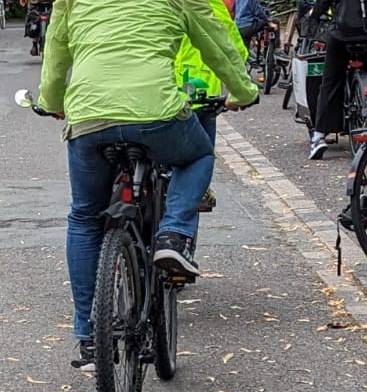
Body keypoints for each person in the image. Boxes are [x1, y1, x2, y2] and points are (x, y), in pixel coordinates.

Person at [37, 0, 258, 370]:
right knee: (198, 156)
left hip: (90, 117)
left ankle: (89, 337)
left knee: (85, 218)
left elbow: (57, 47)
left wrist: (51, 100)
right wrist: (243, 90)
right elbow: (214, 41)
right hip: (157, 112)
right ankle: (173, 234)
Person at [174, 0, 249, 211]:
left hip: (170, 83)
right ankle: (200, 189)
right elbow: (236, 50)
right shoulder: (213, 7)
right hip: (200, 87)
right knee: (204, 146)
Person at [307, 0, 367, 160]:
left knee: (331, 82)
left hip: (342, 34)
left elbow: (323, 2)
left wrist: (314, 15)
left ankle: (319, 137)